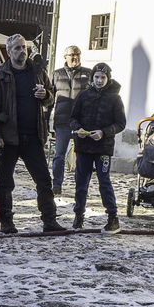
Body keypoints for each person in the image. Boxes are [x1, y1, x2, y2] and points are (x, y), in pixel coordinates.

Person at [0, 34, 65, 234]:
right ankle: (6, 222)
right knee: (5, 183)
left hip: (33, 136)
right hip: (8, 137)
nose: (22, 51)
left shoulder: (36, 70)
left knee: (44, 180)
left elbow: (51, 95)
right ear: (9, 51)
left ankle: (49, 220)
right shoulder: (1, 74)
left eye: (24, 47)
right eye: (17, 48)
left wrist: (46, 95)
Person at [68, 62, 125, 232]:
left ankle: (112, 216)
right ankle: (78, 215)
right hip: (84, 146)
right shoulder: (84, 95)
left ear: (108, 78)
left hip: (103, 148)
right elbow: (73, 118)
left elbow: (120, 123)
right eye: (97, 77)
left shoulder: (115, 98)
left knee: (104, 181)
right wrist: (78, 129)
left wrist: (104, 132)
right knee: (81, 182)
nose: (99, 81)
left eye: (103, 77)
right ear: (92, 78)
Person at [50, 45, 91, 195]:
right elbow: (49, 100)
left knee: (81, 156)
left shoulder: (88, 73)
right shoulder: (56, 74)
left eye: (78, 54)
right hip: (62, 121)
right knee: (59, 155)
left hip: (81, 122)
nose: (75, 57)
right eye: (72, 55)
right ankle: (57, 184)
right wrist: (46, 121)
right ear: (65, 57)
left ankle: (81, 186)